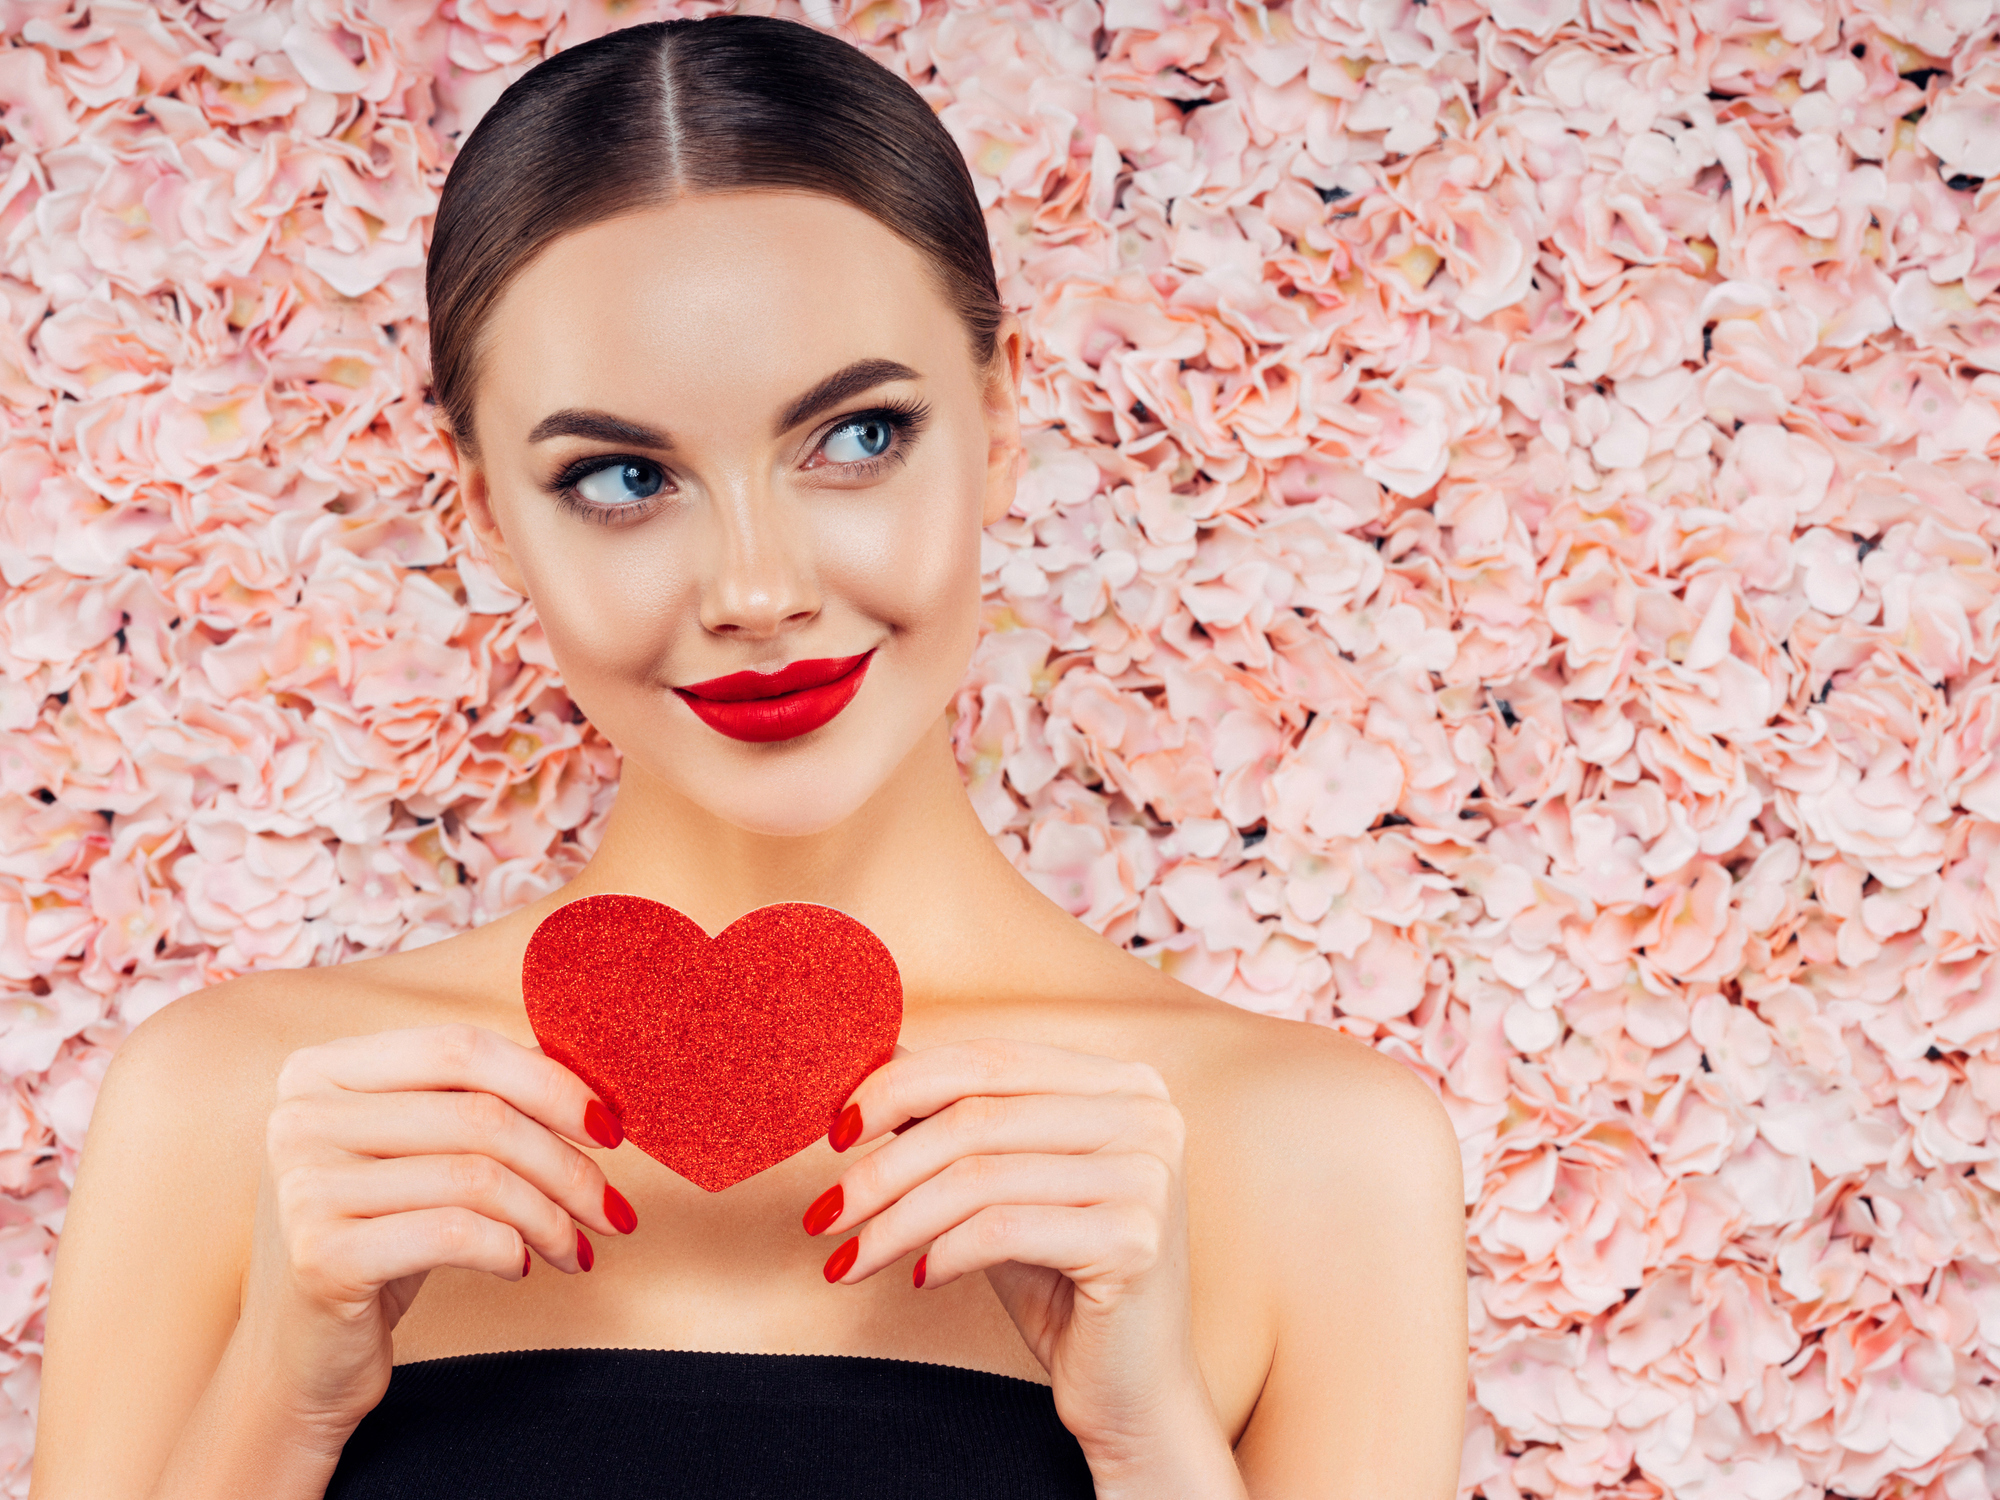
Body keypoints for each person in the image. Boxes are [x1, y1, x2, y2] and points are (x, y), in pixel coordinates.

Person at [32, 15, 1467, 1498]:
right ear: (481, 515)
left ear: (999, 414)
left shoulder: (1317, 1151)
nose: (757, 588)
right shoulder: (238, 1109)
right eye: (622, 476)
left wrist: (1146, 1438)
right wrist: (283, 1392)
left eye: (856, 437)